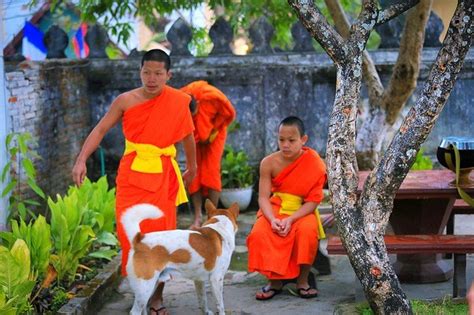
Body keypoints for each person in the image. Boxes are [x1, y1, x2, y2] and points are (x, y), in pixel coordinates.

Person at [72, 49, 196, 315]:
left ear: (168, 75)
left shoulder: (178, 101)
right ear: (139, 71)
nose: (151, 79)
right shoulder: (125, 101)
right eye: (146, 72)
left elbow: (188, 138)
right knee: (132, 238)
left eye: (158, 74)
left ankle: (156, 298)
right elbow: (101, 129)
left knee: (162, 237)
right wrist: (81, 159)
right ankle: (142, 293)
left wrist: (193, 167)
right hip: (131, 177)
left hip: (163, 177)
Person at [247, 116, 326, 300]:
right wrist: (273, 220)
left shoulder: (314, 163)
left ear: (303, 140)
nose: (285, 145)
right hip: (276, 207)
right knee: (260, 232)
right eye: (281, 140)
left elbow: (313, 201)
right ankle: (274, 282)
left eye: (291, 140)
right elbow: (263, 198)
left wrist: (291, 219)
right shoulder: (268, 162)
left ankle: (303, 281)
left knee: (307, 232)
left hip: (302, 209)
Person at [180, 80, 236, 227]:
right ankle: (198, 217)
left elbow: (229, 114)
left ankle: (212, 216)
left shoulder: (211, 96)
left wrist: (212, 131)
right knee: (193, 172)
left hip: (215, 135)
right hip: (193, 137)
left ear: (197, 104)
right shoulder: (179, 99)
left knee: (211, 172)